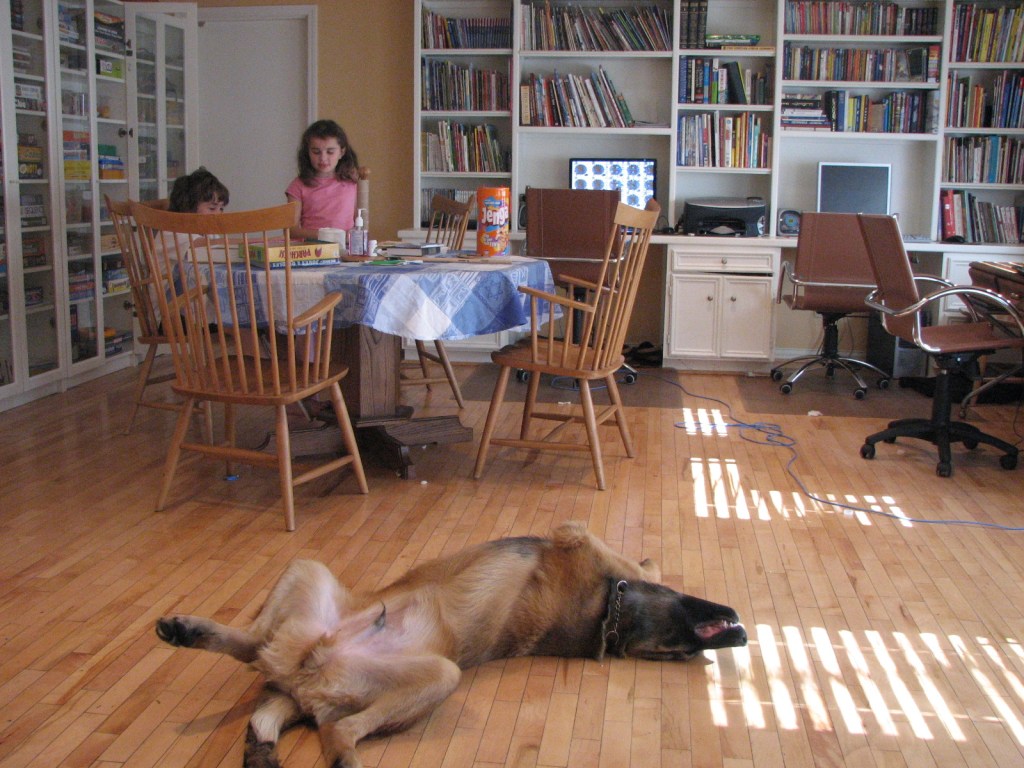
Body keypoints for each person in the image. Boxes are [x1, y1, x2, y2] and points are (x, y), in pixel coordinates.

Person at [286, 119, 361, 240]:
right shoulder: (297, 186)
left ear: (341, 152)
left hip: (346, 250)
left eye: (330, 152)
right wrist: (325, 236)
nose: (323, 158)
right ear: (308, 153)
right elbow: (292, 231)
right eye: (316, 152)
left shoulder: (352, 183)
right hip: (311, 250)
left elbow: (361, 224)